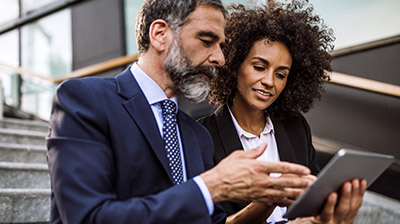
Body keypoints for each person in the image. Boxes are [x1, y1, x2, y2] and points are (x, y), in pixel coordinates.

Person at [46, 0, 315, 223]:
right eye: (207, 40)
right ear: (160, 34)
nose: (220, 59)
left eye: (221, 46)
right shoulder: (84, 100)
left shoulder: (195, 135)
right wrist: (212, 186)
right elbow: (86, 217)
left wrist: (268, 199)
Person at [199, 1, 366, 224]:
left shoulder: (295, 126)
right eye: (259, 67)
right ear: (233, 65)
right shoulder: (201, 136)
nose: (269, 81)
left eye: (281, 74)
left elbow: (311, 201)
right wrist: (268, 198)